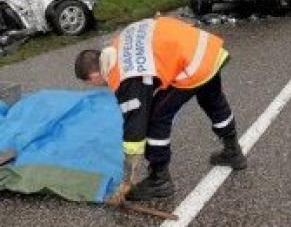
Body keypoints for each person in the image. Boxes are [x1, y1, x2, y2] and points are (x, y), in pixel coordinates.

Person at [74, 16, 246, 203]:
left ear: (93, 75)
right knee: (213, 101)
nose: (96, 86)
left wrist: (127, 179)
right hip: (206, 51)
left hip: (190, 65)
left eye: (91, 83)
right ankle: (233, 151)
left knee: (157, 118)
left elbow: (135, 126)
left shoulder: (125, 76)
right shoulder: (117, 45)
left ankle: (159, 180)